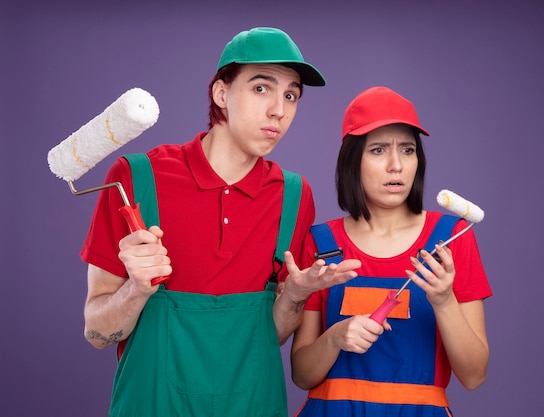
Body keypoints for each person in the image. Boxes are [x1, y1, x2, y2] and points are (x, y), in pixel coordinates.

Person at [80, 27, 360, 417]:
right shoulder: (137, 179)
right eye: (262, 88)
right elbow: (96, 332)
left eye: (291, 94)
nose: (279, 110)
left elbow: (268, 337)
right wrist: (137, 290)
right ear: (222, 93)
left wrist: (294, 297)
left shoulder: (293, 196)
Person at [289, 86, 493, 416]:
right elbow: (302, 375)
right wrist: (335, 338)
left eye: (408, 150)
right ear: (352, 160)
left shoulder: (450, 240)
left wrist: (444, 301)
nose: (396, 165)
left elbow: (474, 376)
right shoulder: (322, 244)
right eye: (379, 150)